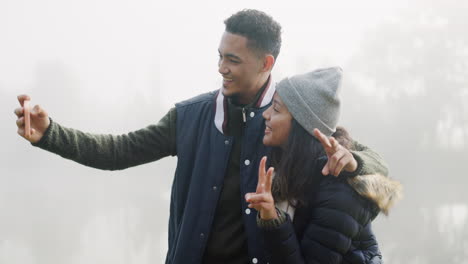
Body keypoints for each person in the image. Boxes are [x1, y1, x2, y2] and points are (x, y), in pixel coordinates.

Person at [14, 9, 390, 264]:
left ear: (266, 63)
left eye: (233, 60)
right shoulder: (190, 117)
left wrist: (356, 162)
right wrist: (51, 134)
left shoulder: (288, 120)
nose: (221, 68)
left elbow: (368, 169)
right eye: (220, 56)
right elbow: (119, 151)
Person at [245, 68, 402, 263]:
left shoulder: (339, 193)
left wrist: (272, 220)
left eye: (276, 109)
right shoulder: (288, 162)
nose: (265, 115)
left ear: (302, 126)